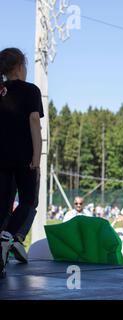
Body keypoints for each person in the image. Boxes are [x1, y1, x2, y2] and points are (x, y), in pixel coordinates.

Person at [0, 48, 43, 277]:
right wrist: (37, 154)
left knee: (3, 206)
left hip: (1, 158)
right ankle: (9, 237)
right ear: (20, 67)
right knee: (28, 201)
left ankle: (6, 245)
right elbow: (34, 121)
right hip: (24, 157)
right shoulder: (31, 90)